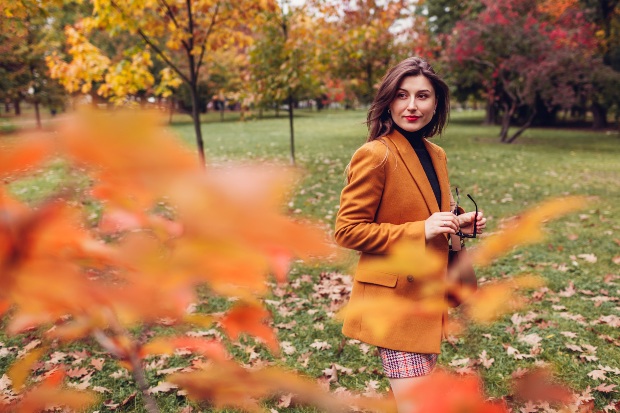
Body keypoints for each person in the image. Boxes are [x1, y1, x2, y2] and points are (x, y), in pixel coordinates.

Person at [334, 57, 486, 412]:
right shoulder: (376, 155)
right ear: (389, 101)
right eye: (402, 95)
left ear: (436, 104)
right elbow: (348, 230)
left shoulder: (436, 154)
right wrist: (423, 229)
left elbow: (426, 212)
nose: (412, 106)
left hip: (428, 298)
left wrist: (456, 222)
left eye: (423, 96)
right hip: (395, 303)